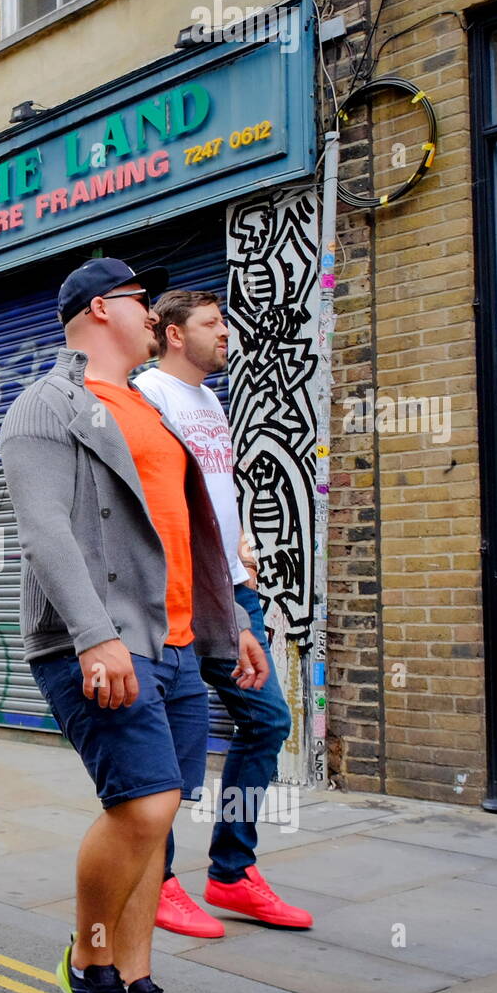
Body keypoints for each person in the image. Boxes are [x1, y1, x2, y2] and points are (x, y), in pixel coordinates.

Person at [0, 258, 269, 993]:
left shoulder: (151, 409)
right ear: (97, 310)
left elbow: (193, 531)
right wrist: (94, 635)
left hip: (178, 643)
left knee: (158, 825)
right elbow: (44, 529)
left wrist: (232, 628)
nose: (154, 313)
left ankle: (138, 978)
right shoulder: (47, 407)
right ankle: (89, 961)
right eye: (140, 300)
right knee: (142, 806)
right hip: (102, 642)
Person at [134, 290, 312, 935]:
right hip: (174, 595)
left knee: (267, 722)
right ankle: (157, 880)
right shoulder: (147, 396)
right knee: (164, 746)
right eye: (213, 324)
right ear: (175, 334)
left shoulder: (210, 401)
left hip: (232, 590)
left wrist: (239, 553)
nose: (226, 334)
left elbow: (211, 495)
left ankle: (232, 873)